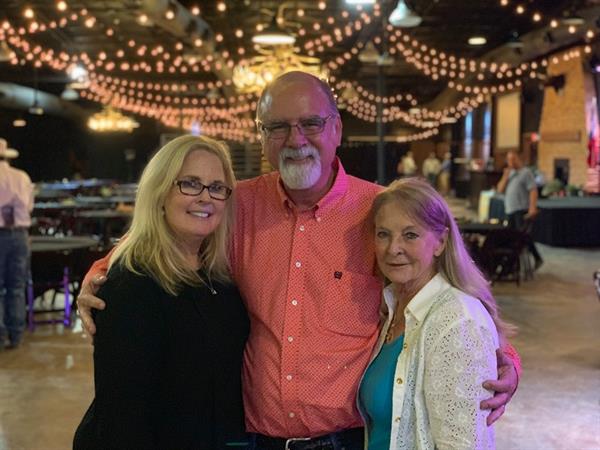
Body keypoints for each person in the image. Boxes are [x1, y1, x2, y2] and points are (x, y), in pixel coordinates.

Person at [78, 72, 520, 448]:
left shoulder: (379, 213)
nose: (296, 140)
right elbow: (163, 236)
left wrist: (506, 360)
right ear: (262, 136)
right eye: (278, 127)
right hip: (250, 438)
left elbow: (449, 292)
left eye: (310, 123)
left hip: (343, 439)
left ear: (337, 131)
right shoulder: (236, 205)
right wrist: (103, 274)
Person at [73, 135, 249, 449]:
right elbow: (123, 418)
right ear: (159, 193)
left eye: (217, 187)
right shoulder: (131, 284)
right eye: (190, 183)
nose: (205, 197)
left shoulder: (218, 277)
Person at [360, 178, 513, 449]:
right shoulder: (394, 306)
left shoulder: (457, 319)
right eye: (383, 234)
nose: (393, 248)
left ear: (441, 241)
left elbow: (464, 444)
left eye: (410, 235)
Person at [0, 140, 33, 351]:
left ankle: (1, 335)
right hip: (20, 235)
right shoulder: (22, 177)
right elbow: (29, 206)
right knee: (17, 287)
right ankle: (16, 335)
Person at [496, 151, 543, 270]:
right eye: (509, 160)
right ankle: (513, 265)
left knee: (521, 237)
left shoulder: (526, 173)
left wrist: (532, 207)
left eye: (513, 159)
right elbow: (500, 190)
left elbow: (533, 190)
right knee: (512, 237)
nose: (511, 162)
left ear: (519, 158)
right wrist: (505, 176)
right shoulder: (509, 173)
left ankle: (534, 258)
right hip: (510, 209)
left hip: (521, 209)